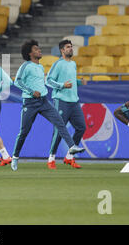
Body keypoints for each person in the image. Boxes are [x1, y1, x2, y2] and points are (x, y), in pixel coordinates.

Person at [11, 40, 85, 171]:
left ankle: (71, 146)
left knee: (59, 122)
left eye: (39, 48)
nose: (39, 50)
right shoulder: (26, 66)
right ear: (29, 53)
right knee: (24, 132)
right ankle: (15, 157)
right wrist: (31, 91)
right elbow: (17, 82)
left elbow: (43, 82)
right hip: (30, 102)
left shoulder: (40, 67)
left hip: (44, 101)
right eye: (36, 49)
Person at [45, 40, 88, 170]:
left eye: (71, 47)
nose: (71, 49)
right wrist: (62, 85)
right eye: (68, 47)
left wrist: (79, 82)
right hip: (61, 101)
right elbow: (48, 80)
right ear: (62, 50)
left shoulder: (73, 64)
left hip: (74, 102)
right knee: (59, 130)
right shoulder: (58, 64)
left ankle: (69, 157)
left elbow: (71, 80)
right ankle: (51, 158)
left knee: (81, 127)